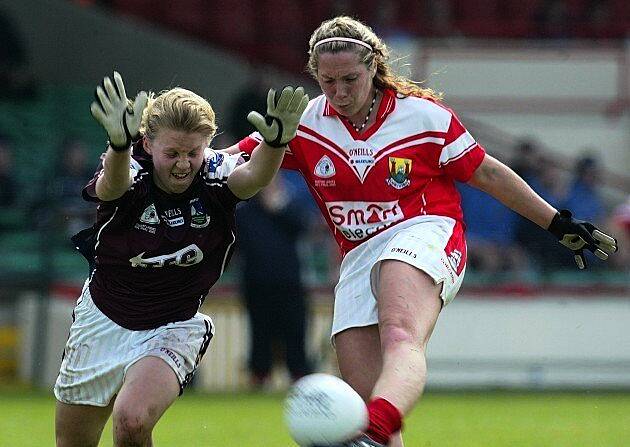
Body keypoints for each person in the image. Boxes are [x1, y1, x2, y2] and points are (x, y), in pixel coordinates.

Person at [227, 16, 619, 447]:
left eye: (350, 79)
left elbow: (486, 173)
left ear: (374, 67)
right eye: (328, 81)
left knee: (399, 333)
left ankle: (373, 429)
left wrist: (556, 222)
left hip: (426, 230)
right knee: (365, 401)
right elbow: (228, 162)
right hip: (359, 255)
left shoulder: (422, 116)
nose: (339, 92)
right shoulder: (303, 122)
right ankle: (376, 429)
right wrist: (152, 159)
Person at [53, 71, 308, 447]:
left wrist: (275, 143)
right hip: (103, 318)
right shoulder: (128, 164)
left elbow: (252, 177)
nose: (183, 164)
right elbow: (113, 186)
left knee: (132, 420)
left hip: (174, 324)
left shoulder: (216, 171)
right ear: (148, 142)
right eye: (172, 153)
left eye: (193, 152)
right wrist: (119, 147)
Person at [236, 173, 313, 388]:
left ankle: (300, 377)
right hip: (256, 282)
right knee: (260, 332)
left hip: (289, 282)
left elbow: (302, 226)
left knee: (295, 331)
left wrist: (279, 207)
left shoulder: (290, 206)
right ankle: (260, 377)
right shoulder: (245, 211)